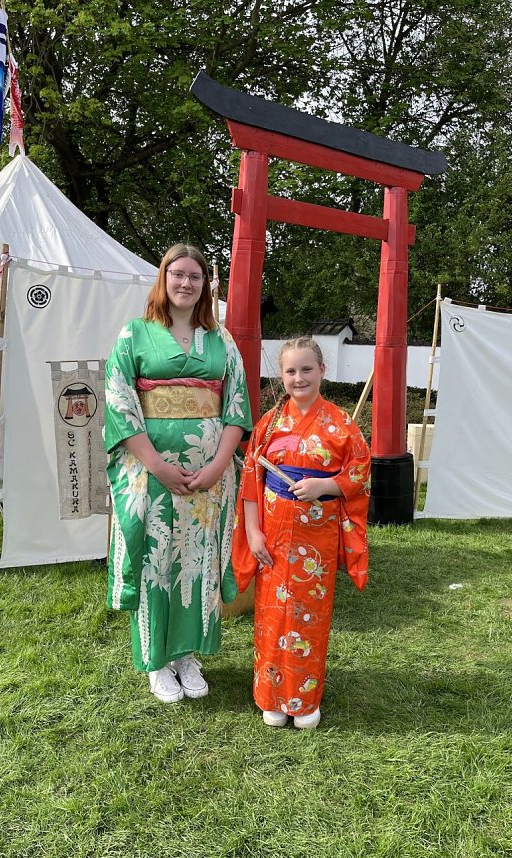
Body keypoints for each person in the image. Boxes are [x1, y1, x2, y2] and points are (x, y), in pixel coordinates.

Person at [104, 243, 253, 703]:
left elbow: (237, 407)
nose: (186, 283)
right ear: (163, 279)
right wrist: (157, 466)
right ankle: (156, 660)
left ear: (205, 285)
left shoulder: (221, 340)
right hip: (152, 475)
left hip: (208, 481)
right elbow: (120, 403)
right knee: (156, 559)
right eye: (178, 274)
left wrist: (218, 465)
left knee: (199, 560)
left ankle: (188, 654)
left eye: (195, 276)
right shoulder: (134, 335)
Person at [232, 337, 370, 729]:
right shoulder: (270, 423)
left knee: (310, 616)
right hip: (272, 536)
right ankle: (271, 695)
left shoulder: (340, 424)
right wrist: (254, 533)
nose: (299, 378)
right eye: (290, 371)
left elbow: (360, 470)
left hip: (317, 538)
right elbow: (250, 480)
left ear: (322, 371)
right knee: (272, 616)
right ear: (283, 375)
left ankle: (304, 699)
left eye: (307, 369)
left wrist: (324, 487)